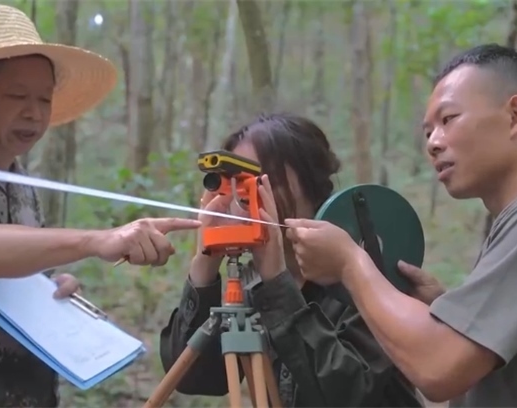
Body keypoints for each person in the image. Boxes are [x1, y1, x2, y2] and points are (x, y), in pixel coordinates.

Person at [0, 5, 200, 407]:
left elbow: (18, 268)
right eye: (17, 96)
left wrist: (51, 288)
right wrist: (95, 240)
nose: (33, 113)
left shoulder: (24, 188)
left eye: (44, 99)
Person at [284, 44, 517, 407]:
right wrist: (442, 309)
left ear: (515, 115)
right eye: (428, 132)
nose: (433, 143)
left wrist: (350, 264)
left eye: (448, 119)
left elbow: (439, 369)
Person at [158, 113, 423, 407]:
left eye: (259, 181)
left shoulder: (366, 270)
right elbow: (196, 378)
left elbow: (350, 395)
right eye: (235, 184)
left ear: (311, 184)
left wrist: (277, 285)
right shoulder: (252, 282)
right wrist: (205, 264)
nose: (244, 197)